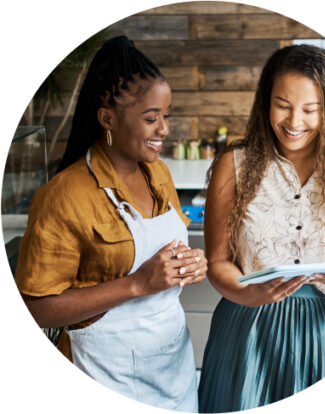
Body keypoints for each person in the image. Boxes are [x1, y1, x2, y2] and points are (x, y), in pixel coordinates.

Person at [14, 36, 207, 412]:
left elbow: (164, 252)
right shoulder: (64, 195)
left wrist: (188, 264)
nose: (164, 129)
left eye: (167, 115)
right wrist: (136, 285)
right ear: (107, 119)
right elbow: (34, 309)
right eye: (151, 118)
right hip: (105, 376)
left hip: (174, 367)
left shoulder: (159, 173)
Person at [198, 44, 325, 412]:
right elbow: (218, 261)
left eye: (310, 109)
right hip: (247, 330)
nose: (293, 121)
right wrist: (246, 293)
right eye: (282, 105)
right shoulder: (233, 165)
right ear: (266, 102)